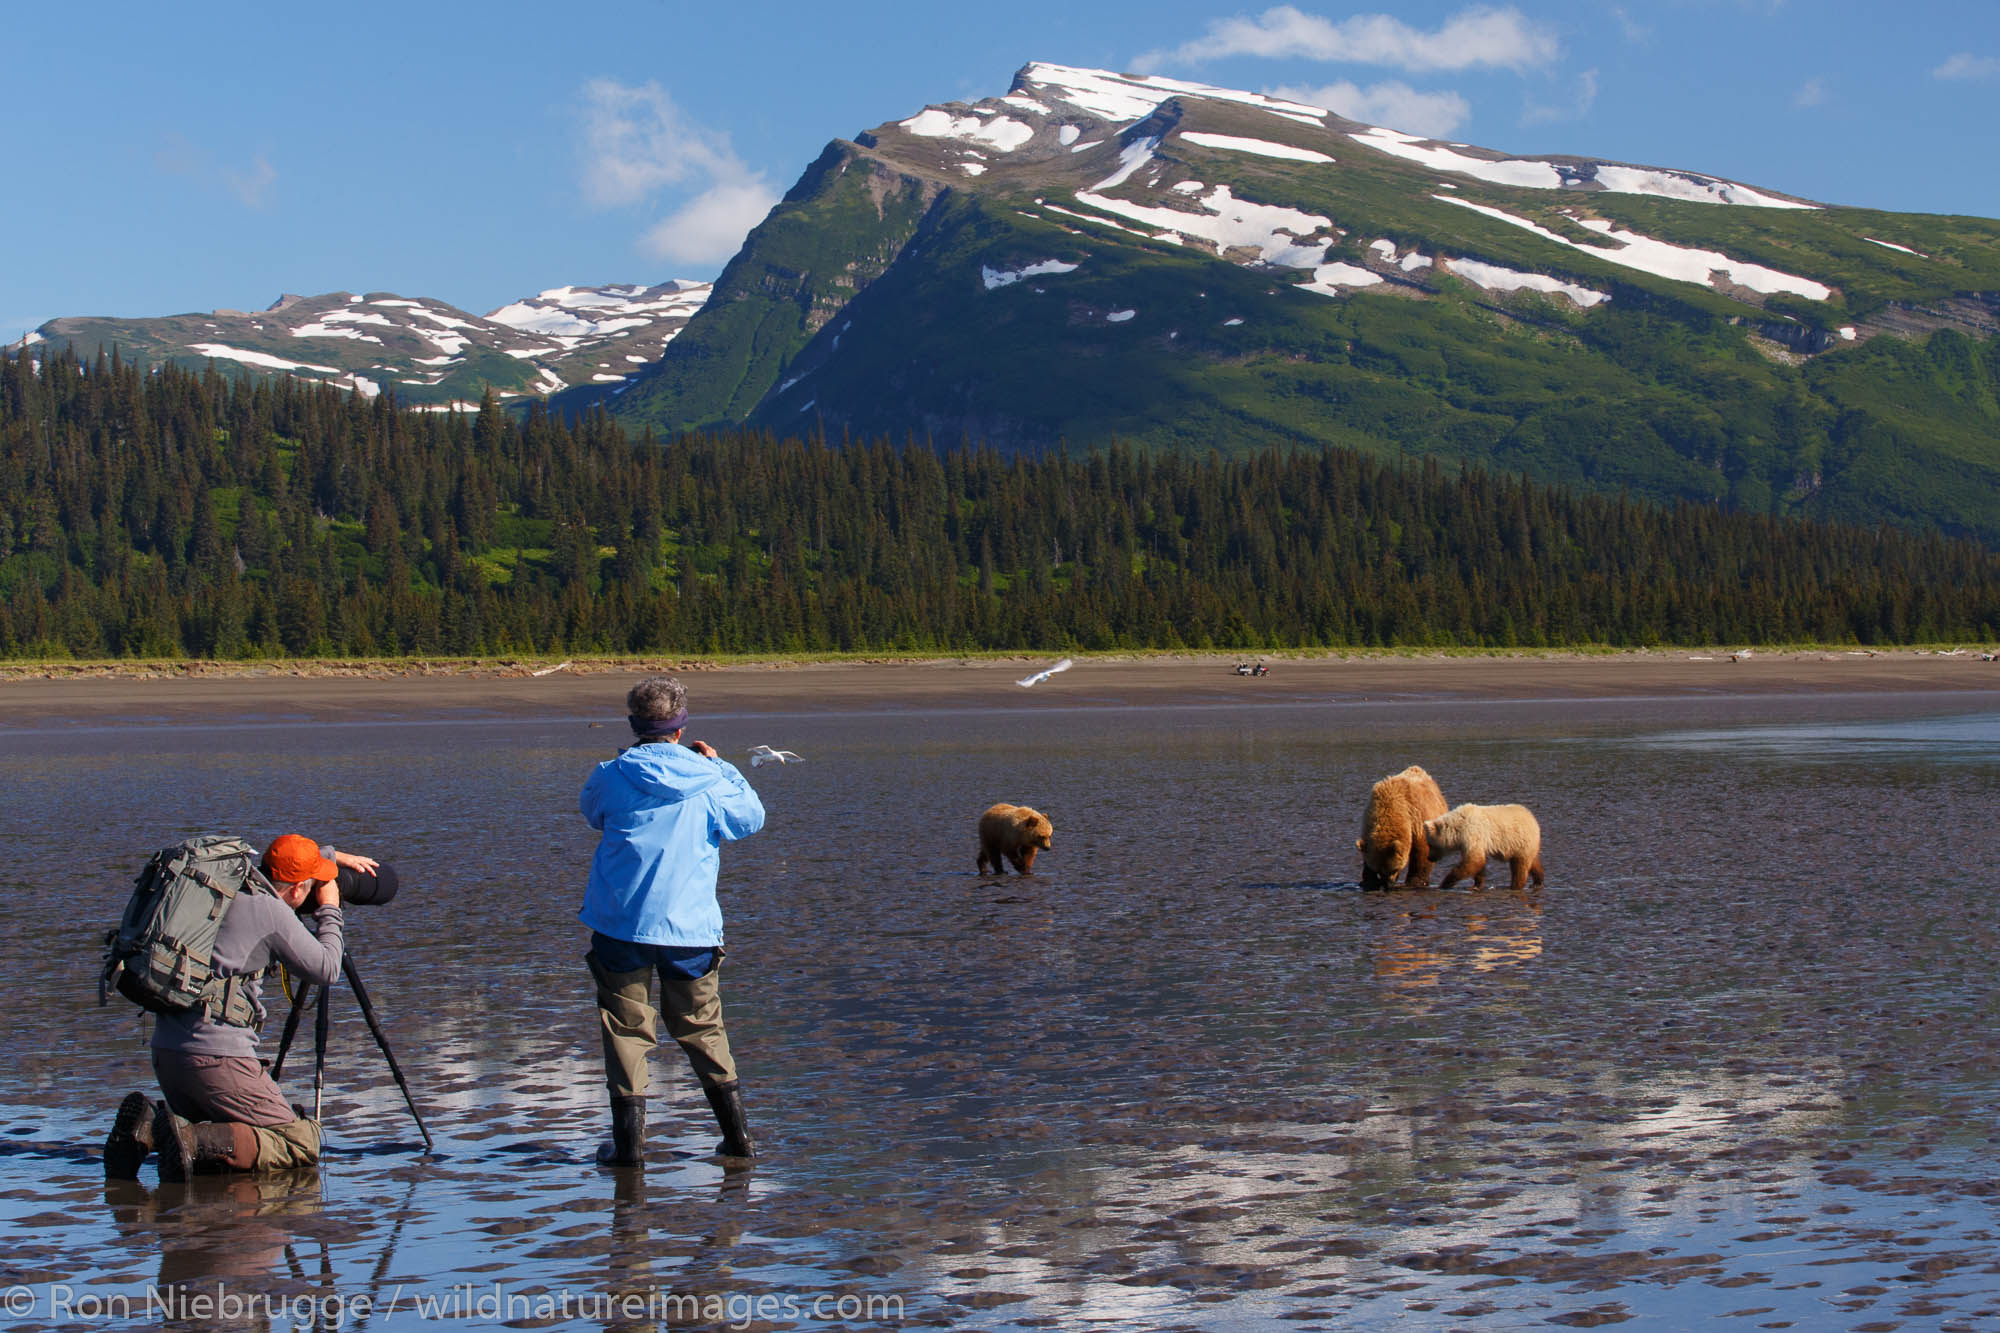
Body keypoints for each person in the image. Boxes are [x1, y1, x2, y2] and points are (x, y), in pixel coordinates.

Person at [102, 835, 374, 1181]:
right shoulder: (271, 912)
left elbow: (286, 867)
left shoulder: (224, 887)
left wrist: (331, 856)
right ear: (296, 891)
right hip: (217, 1062)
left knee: (225, 1122)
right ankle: (190, 1139)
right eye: (312, 885)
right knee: (299, 1142)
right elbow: (326, 968)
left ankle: (148, 1125)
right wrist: (330, 910)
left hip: (168, 1058)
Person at [581, 676, 766, 1167]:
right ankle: (739, 1139)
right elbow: (751, 820)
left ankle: (629, 1150)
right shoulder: (710, 780)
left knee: (625, 1032)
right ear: (681, 727)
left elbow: (592, 813)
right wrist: (719, 765)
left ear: (633, 724)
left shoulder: (610, 773)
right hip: (690, 930)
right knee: (704, 1030)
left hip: (620, 925)